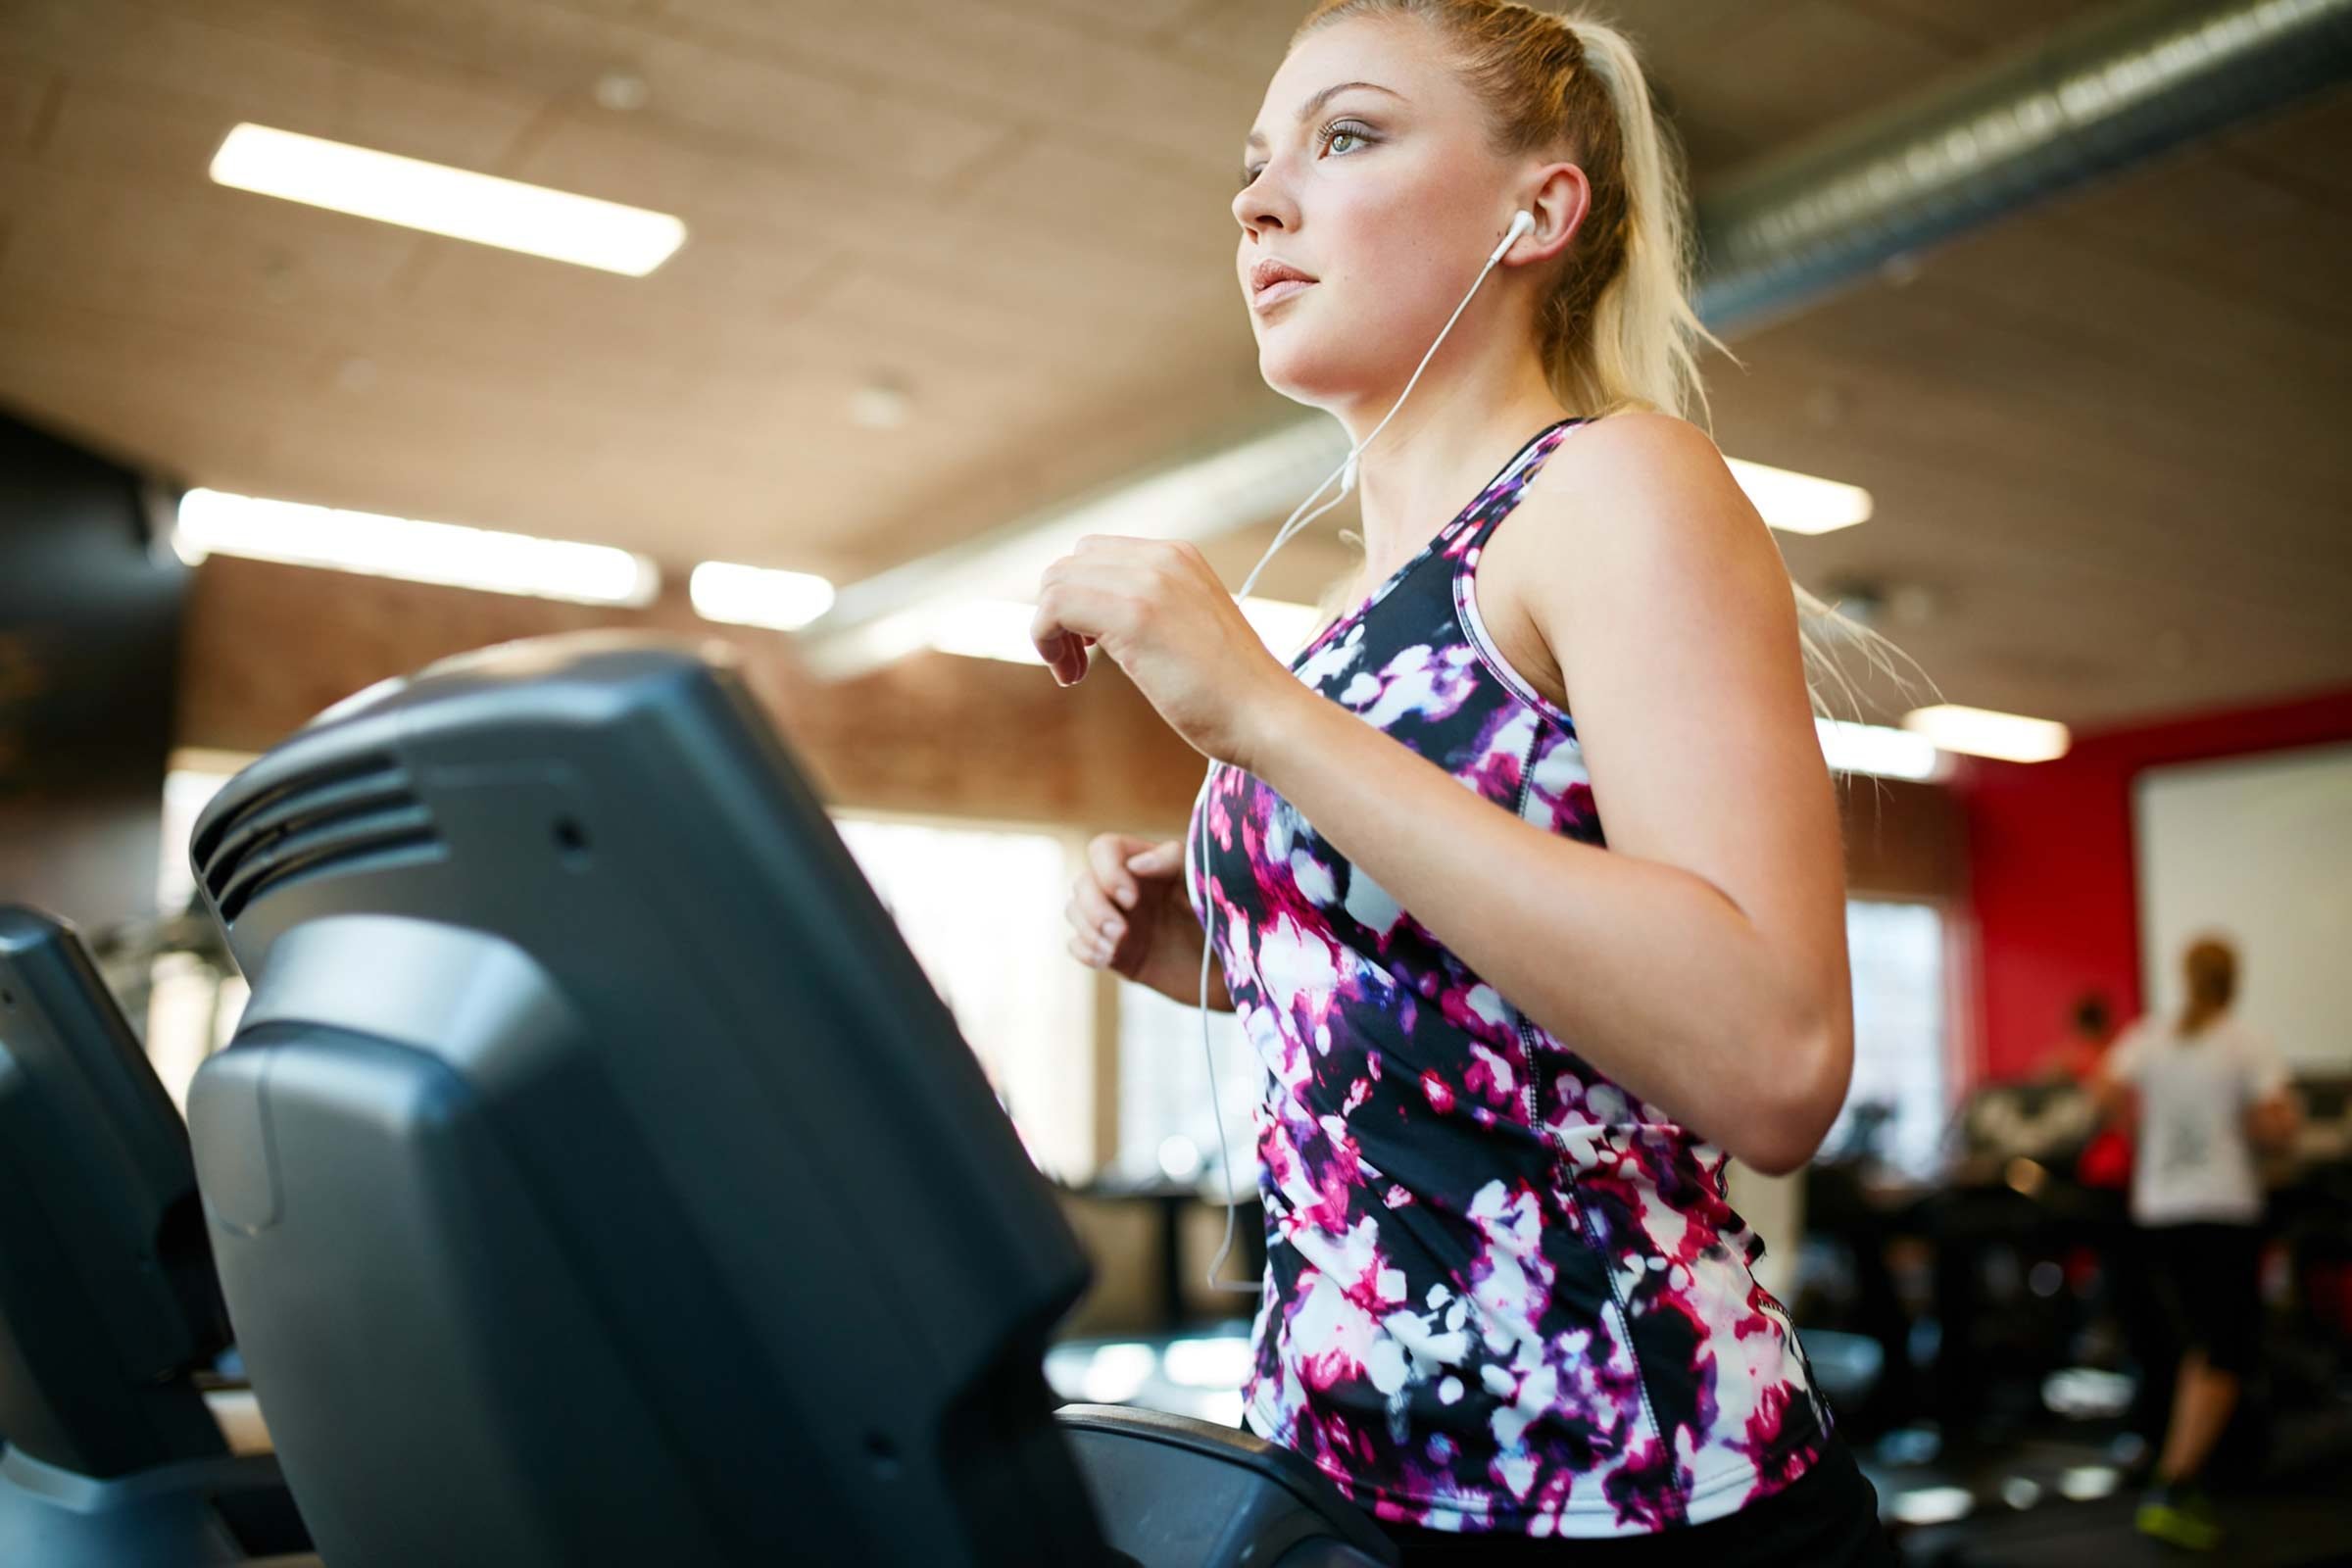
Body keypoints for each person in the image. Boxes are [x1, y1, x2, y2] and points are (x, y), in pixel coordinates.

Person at [1044, 2, 1905, 1559]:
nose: (1257, 201)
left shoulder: (1616, 486)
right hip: (1337, 1477)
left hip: (1619, 1495)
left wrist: (1261, 719)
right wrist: (1239, 946)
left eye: (1346, 136)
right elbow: (1488, 1015)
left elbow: (1773, 1059)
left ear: (1539, 209)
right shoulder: (1364, 620)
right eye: (1254, 166)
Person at [2092, 935, 2300, 1552]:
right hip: (2222, 1210)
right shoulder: (2244, 1041)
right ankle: (2174, 1485)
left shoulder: (2153, 1036)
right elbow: (2277, 1123)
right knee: (2226, 1354)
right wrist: (2267, 1133)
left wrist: (2139, 1130)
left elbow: (2101, 1087)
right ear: (2232, 980)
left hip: (2159, 1213)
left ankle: (2178, 1472)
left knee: (2200, 1348)